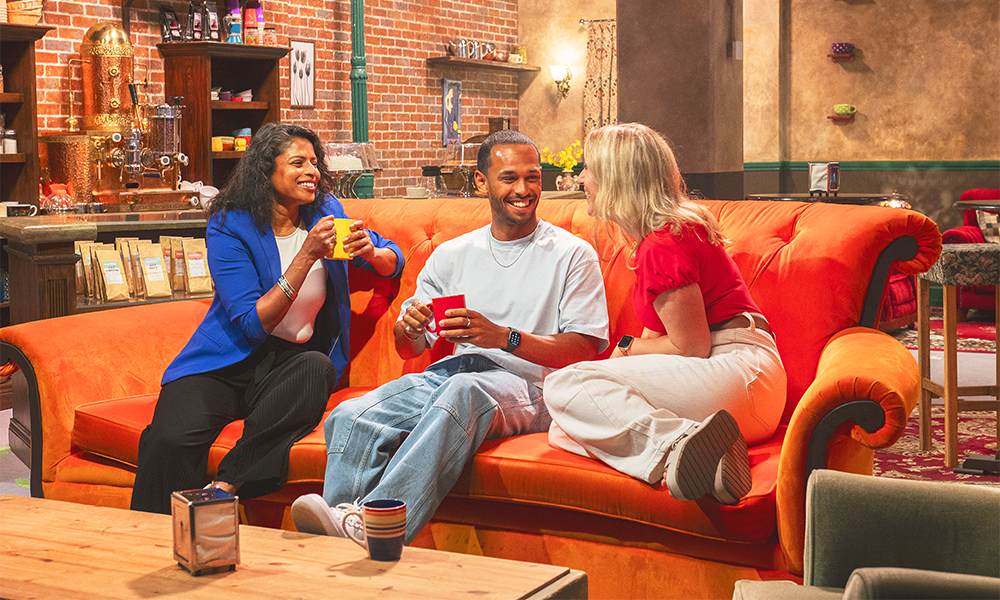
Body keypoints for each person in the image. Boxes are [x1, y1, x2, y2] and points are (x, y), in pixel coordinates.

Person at [291, 130, 610, 543]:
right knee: (350, 416)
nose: (524, 190)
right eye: (509, 178)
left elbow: (583, 349)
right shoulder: (453, 254)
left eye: (532, 178)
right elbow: (407, 347)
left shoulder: (571, 253)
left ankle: (379, 529)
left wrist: (503, 337)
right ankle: (341, 536)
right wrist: (410, 326)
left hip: (535, 384)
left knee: (462, 391)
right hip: (453, 374)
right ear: (481, 183)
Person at [130, 123, 403, 514]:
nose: (312, 171)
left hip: (291, 364)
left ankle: (223, 487)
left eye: (314, 162)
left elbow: (394, 259)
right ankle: (146, 538)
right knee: (168, 438)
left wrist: (373, 255)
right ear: (265, 170)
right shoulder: (230, 224)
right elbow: (251, 323)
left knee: (317, 368)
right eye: (298, 162)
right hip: (226, 362)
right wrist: (306, 256)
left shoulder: (326, 211)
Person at [543, 123, 786, 505]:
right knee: (564, 428)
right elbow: (662, 344)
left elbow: (691, 348)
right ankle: (713, 461)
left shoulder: (664, 241)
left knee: (562, 387)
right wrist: (632, 351)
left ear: (615, 178)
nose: (581, 179)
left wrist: (627, 346)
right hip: (735, 394)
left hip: (739, 372)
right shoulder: (660, 237)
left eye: (588, 169)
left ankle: (676, 447)